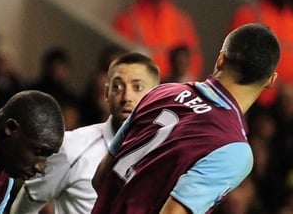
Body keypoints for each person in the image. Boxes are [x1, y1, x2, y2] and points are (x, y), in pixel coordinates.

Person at [91, 23, 281, 214]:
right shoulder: (233, 148)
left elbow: (101, 176)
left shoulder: (162, 92)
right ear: (270, 81)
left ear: (221, 59)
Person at [10, 52, 160, 214]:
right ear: (106, 93)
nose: (126, 97)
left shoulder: (168, 156)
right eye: (117, 87)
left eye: (137, 87)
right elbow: (23, 209)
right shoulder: (72, 147)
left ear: (157, 96)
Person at [112, 0, 204, 80]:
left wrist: (185, 83)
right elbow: (119, 56)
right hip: (143, 83)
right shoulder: (127, 20)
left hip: (175, 85)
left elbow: (194, 57)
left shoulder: (182, 21)